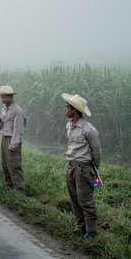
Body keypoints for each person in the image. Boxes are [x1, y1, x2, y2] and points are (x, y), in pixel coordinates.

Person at [62, 93, 101, 240]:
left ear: (74, 110)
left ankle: (91, 230)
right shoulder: (69, 125)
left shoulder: (88, 129)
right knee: (74, 198)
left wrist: (92, 169)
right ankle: (80, 225)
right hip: (71, 166)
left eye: (67, 107)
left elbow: (96, 152)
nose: (64, 109)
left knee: (85, 199)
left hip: (83, 169)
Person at [0, 85, 26, 191]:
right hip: (4, 139)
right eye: (1, 96)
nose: (2, 99)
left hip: (11, 141)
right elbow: (2, 126)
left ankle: (19, 189)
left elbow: (18, 130)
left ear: (10, 97)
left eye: (3, 97)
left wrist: (13, 146)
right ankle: (8, 185)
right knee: (5, 165)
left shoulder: (17, 111)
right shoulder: (4, 109)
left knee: (14, 165)